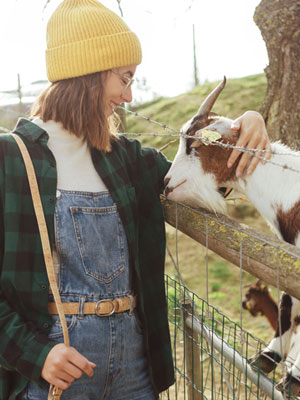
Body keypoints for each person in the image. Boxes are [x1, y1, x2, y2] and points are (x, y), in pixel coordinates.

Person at [0, 1, 271, 399]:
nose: (128, 96)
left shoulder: (128, 160)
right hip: (57, 366)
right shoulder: (10, 159)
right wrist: (35, 354)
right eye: (124, 79)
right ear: (87, 75)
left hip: (133, 363)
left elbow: (208, 179)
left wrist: (246, 122)